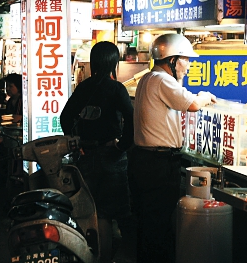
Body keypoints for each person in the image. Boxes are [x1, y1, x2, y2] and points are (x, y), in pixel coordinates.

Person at [130, 33, 216, 263]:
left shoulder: (149, 78)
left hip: (145, 161)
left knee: (149, 223)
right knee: (158, 223)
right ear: (172, 59)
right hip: (158, 164)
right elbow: (194, 104)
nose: (187, 66)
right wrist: (206, 96)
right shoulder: (162, 80)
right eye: (185, 60)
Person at [59, 41, 134, 263]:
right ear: (113, 62)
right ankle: (113, 256)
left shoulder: (84, 87)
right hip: (111, 155)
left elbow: (65, 117)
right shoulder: (116, 89)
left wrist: (76, 141)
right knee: (116, 210)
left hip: (86, 155)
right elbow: (132, 119)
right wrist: (123, 145)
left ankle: (94, 254)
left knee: (93, 209)